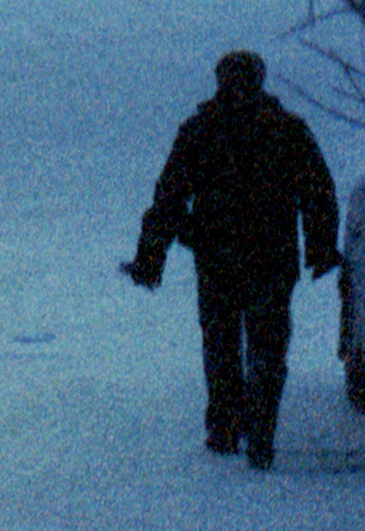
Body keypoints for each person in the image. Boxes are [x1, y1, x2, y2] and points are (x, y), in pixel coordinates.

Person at [128, 48, 344, 465]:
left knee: (222, 346)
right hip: (271, 259)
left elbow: (169, 198)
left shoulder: (200, 130)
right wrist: (320, 248)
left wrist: (149, 259)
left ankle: (226, 429)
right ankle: (259, 435)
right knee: (267, 349)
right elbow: (318, 193)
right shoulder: (287, 130)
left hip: (218, 260)